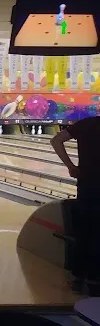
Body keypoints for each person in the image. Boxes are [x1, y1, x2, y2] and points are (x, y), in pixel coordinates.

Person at [51, 117, 100, 294]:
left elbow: (55, 140)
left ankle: (78, 278)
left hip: (87, 185)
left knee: (85, 231)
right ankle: (95, 281)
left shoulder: (86, 124)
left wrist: (71, 166)